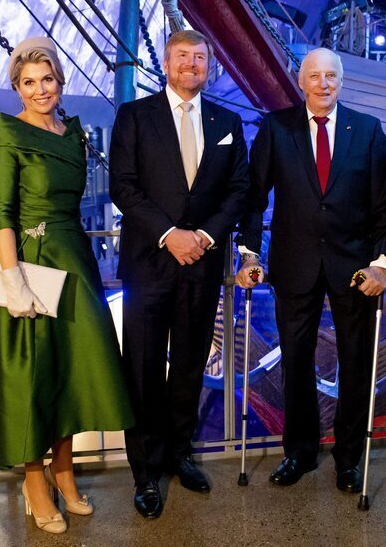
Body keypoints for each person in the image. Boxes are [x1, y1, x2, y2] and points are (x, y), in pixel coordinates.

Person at [0, 37, 134, 534]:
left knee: (70, 373)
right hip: (30, 265)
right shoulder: (9, 133)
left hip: (73, 261)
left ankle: (65, 471)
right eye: (29, 82)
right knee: (34, 374)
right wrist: (12, 281)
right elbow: (2, 213)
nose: (40, 89)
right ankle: (34, 480)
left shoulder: (72, 133)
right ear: (16, 88)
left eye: (47, 79)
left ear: (60, 80)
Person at [235, 47, 386, 493]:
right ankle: (299, 452)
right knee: (295, 363)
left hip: (355, 271)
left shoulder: (367, 131)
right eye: (314, 76)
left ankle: (349, 461)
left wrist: (382, 265)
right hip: (294, 266)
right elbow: (253, 197)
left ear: (340, 80)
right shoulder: (277, 128)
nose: (323, 83)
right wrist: (250, 254)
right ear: (301, 80)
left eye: (331, 76)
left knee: (356, 364)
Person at [109, 29, 249, 519]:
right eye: (183, 56)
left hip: (203, 264)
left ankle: (180, 453)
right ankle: (146, 472)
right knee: (144, 368)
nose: (192, 64)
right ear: (167, 63)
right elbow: (122, 187)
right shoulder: (134, 116)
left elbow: (239, 190)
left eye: (200, 57)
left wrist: (205, 237)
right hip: (150, 262)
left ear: (208, 65)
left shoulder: (227, 121)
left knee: (190, 362)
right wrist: (172, 234)